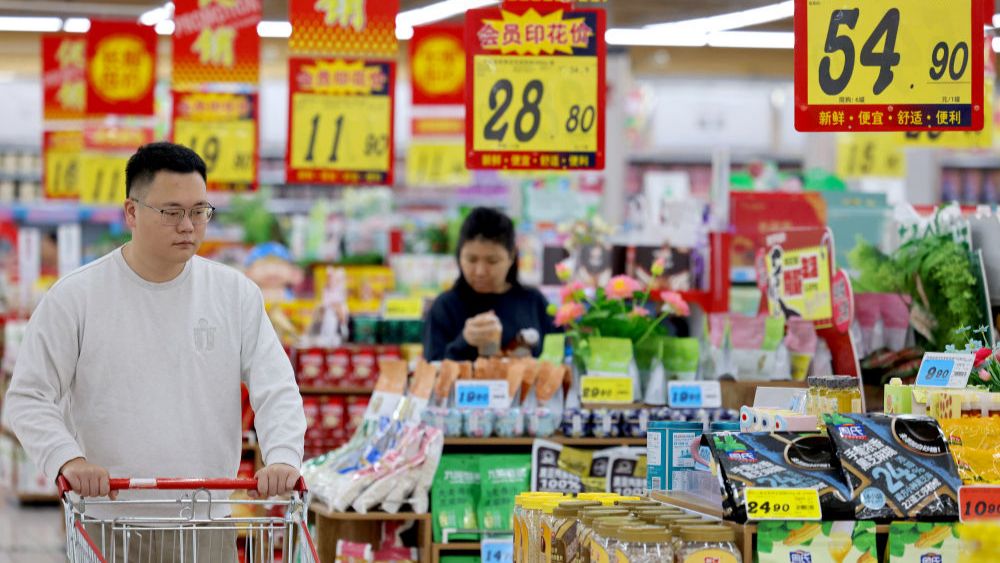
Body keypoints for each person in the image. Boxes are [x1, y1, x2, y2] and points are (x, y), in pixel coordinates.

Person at [3, 142, 306, 561]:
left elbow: (277, 388)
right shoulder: (76, 297)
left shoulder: (235, 294)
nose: (188, 226)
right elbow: (28, 396)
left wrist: (284, 456)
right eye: (171, 212)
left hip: (206, 522)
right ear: (132, 212)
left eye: (199, 211)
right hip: (108, 522)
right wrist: (68, 459)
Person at [424, 207, 555, 361]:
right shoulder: (445, 307)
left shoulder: (533, 302)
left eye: (492, 261)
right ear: (459, 256)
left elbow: (557, 357)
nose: (480, 271)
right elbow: (432, 366)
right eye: (471, 260)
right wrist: (464, 341)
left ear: (511, 257)